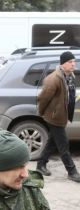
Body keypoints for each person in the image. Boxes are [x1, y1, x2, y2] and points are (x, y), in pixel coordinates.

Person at [36, 50, 80, 183]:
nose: (73, 64)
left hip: (62, 115)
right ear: (62, 64)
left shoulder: (70, 76)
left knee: (52, 141)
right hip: (54, 117)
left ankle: (40, 165)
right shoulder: (53, 79)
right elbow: (43, 99)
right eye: (70, 62)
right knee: (63, 144)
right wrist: (43, 113)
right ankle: (72, 171)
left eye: (74, 61)